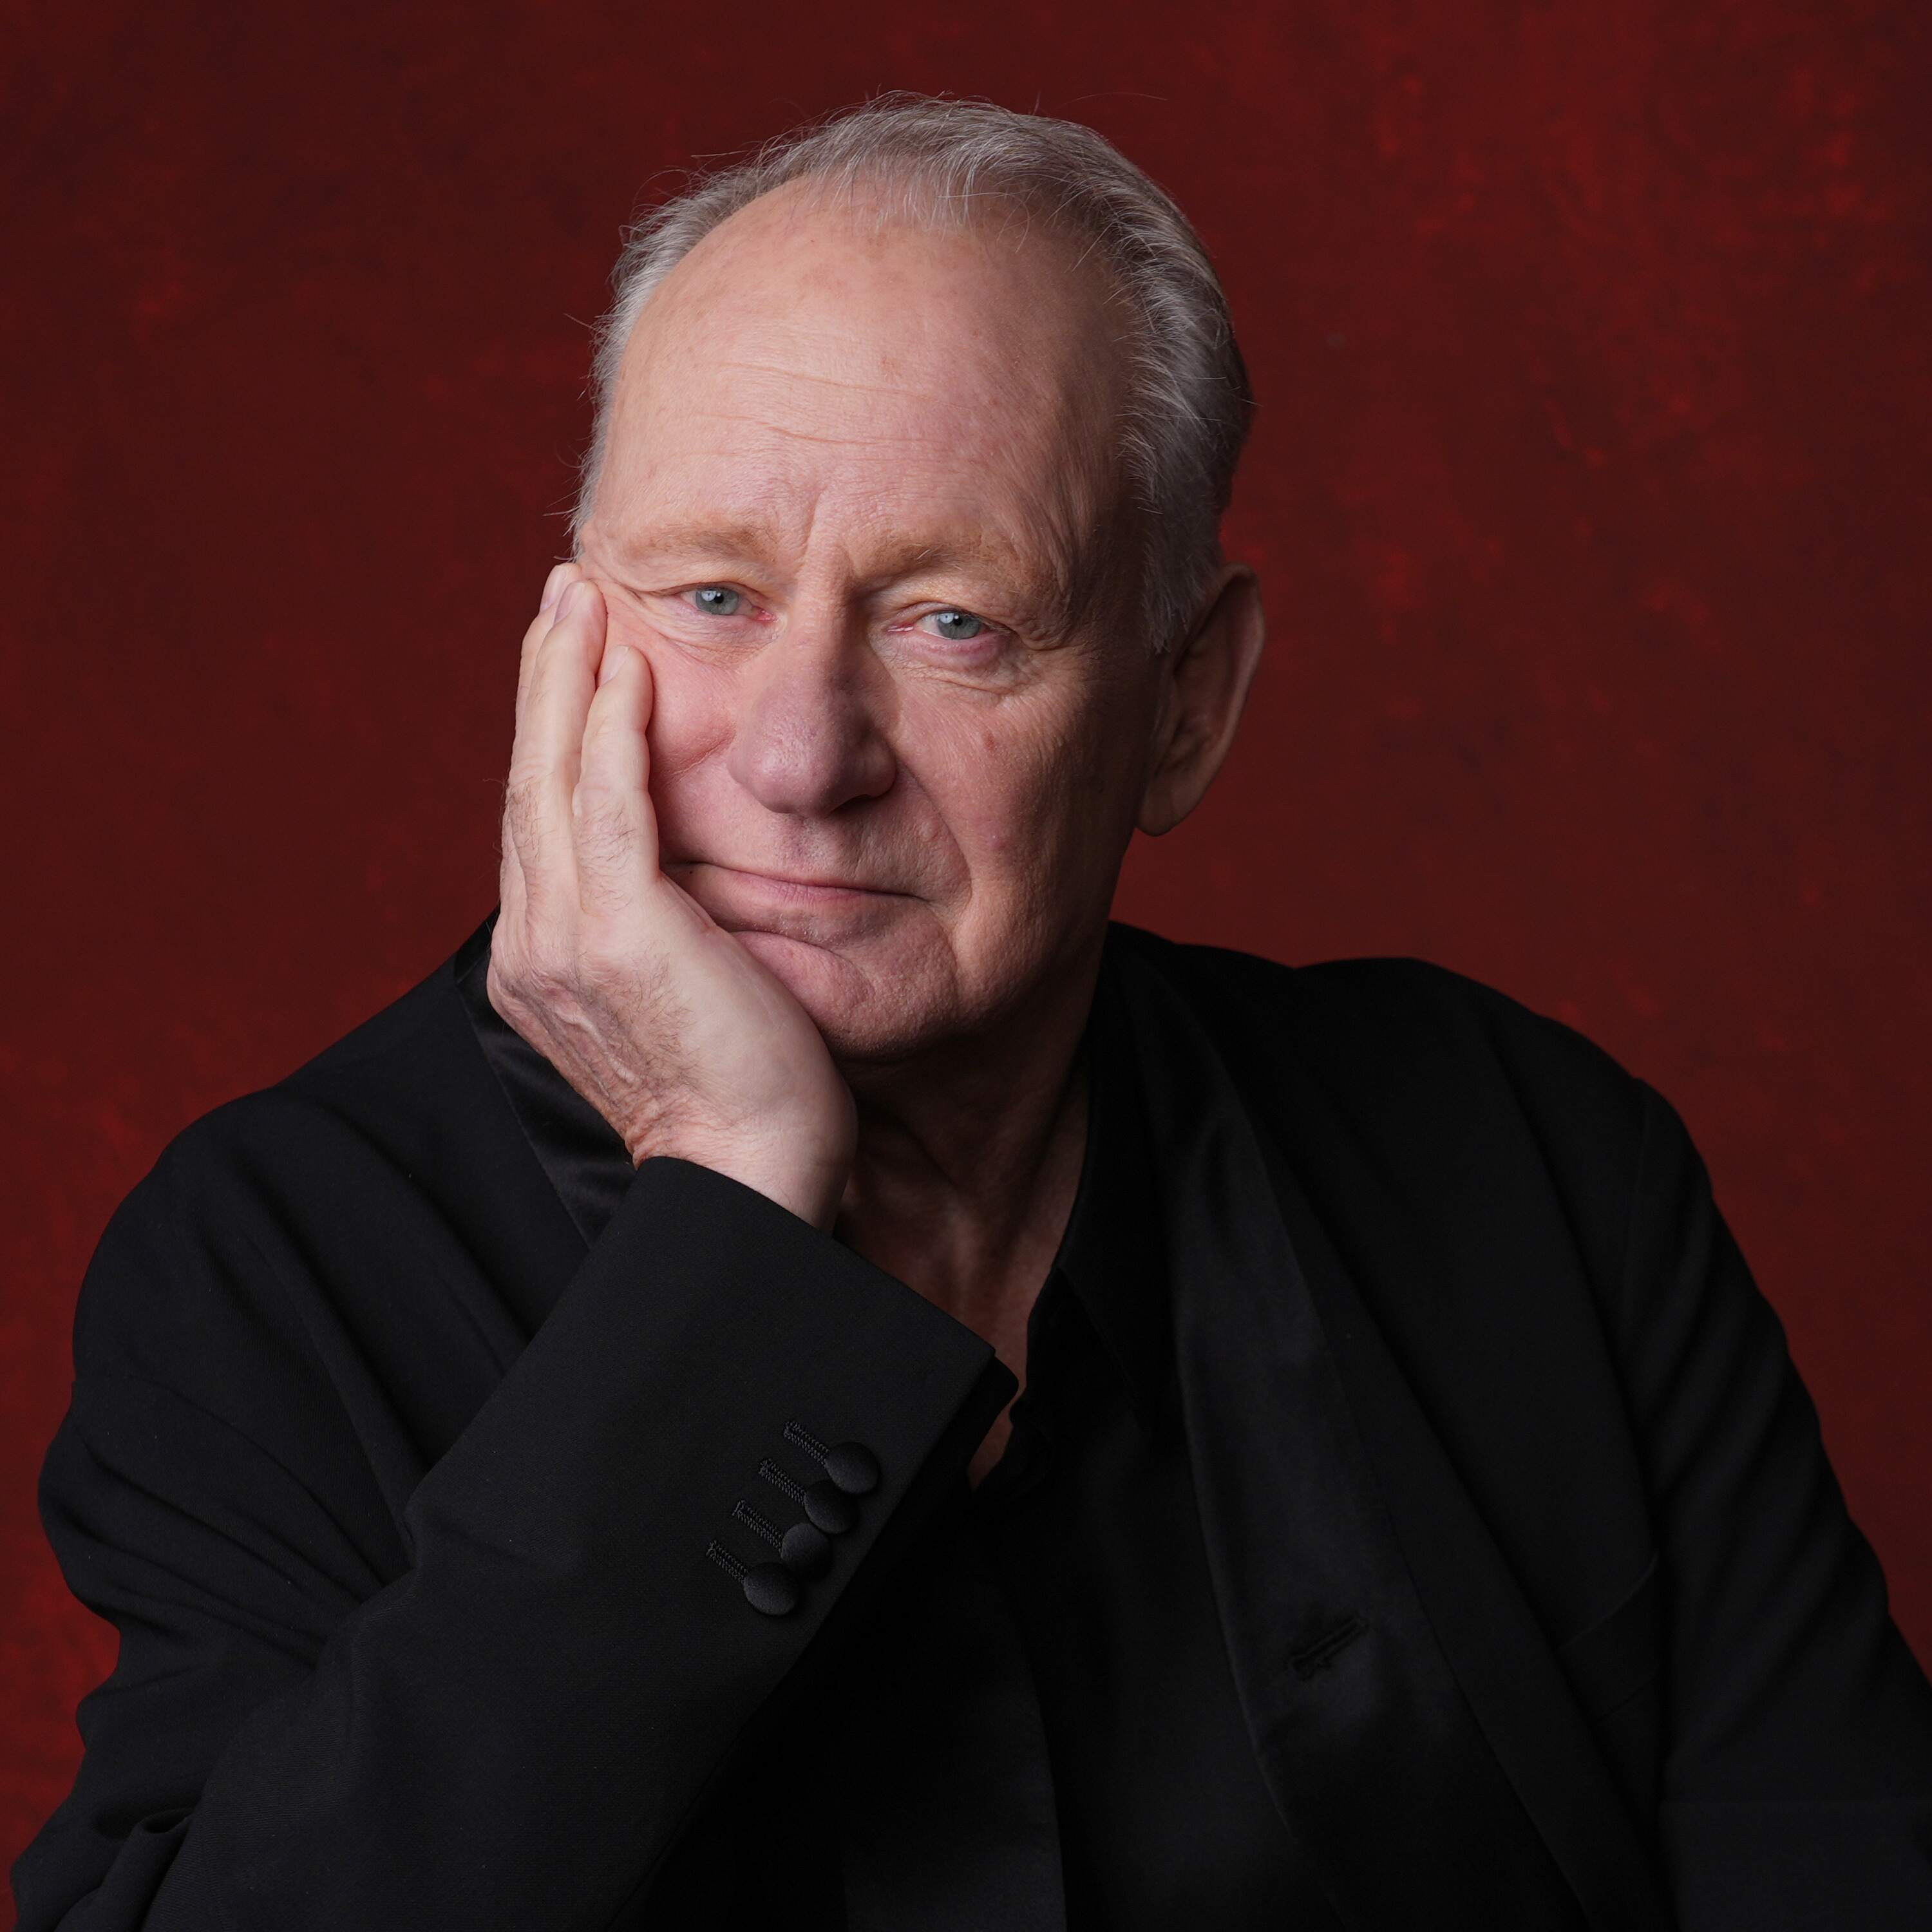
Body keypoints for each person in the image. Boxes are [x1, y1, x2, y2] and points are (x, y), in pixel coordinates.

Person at [12, 92, 1932, 1932]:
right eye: (710, 594)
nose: (802, 756)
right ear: (563, 650)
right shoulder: (273, 1270)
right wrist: (730, 1212)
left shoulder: (1529, 1173)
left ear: (1187, 708)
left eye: (956, 622)